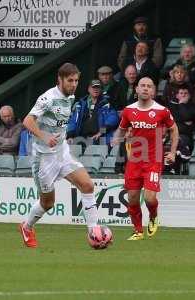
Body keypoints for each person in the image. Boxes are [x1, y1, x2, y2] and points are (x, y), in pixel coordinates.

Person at [19, 63, 100, 248]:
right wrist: (45, 136)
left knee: (87, 185)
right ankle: (26, 226)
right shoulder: (47, 98)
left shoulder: (70, 97)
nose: (73, 84)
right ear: (60, 79)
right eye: (70, 80)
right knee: (48, 203)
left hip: (61, 153)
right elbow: (27, 121)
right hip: (43, 159)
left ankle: (94, 231)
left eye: (76, 80)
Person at [112, 77, 179, 240]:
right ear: (136, 89)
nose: (145, 88)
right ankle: (138, 231)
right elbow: (121, 129)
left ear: (153, 91)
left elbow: (174, 130)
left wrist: (172, 152)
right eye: (142, 85)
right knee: (132, 198)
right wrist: (117, 138)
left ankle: (153, 216)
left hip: (153, 160)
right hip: (134, 161)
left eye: (149, 86)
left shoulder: (162, 111)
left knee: (150, 197)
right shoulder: (128, 110)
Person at [67, 79, 119, 147]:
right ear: (89, 89)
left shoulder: (106, 103)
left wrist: (101, 132)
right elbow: (73, 121)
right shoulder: (80, 104)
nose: (96, 89)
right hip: (81, 138)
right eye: (93, 87)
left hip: (99, 138)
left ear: (101, 89)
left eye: (98, 87)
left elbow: (113, 119)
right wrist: (70, 136)